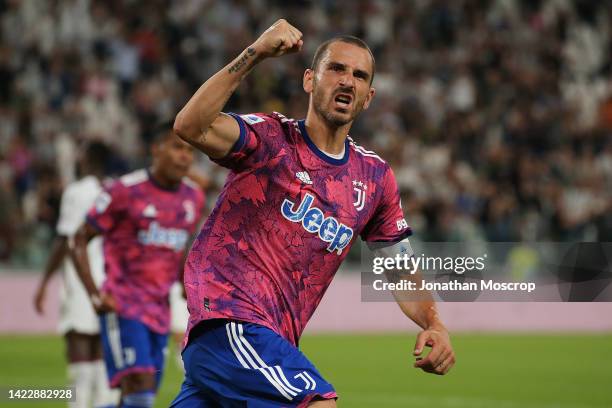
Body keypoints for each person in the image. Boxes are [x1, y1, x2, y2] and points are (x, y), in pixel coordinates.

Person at [172, 19, 455, 407]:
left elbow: (401, 270)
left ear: (368, 96)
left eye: (359, 75)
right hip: (229, 323)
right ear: (309, 80)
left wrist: (434, 323)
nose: (347, 81)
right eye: (336, 69)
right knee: (319, 402)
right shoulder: (270, 140)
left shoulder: (374, 179)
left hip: (261, 343)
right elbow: (190, 126)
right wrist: (255, 52)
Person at [70, 123, 205, 408]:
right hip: (123, 307)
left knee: (134, 400)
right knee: (141, 396)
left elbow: (180, 248)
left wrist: (185, 284)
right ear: (156, 150)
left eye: (190, 150)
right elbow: (78, 239)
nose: (185, 157)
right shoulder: (124, 191)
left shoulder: (193, 198)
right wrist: (95, 294)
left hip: (159, 310)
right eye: (177, 147)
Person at [33, 141, 118, 408]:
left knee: (80, 354)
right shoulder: (117, 189)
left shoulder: (77, 191)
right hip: (111, 281)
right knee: (103, 357)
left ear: (87, 158)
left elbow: (65, 241)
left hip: (82, 282)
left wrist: (44, 282)